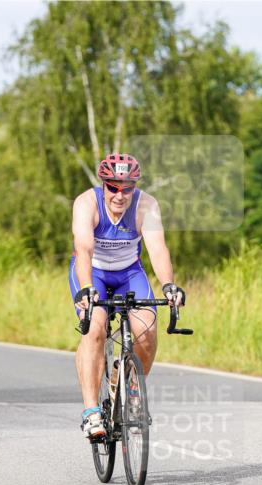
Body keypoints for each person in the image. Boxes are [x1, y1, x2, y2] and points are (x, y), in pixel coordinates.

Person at [70, 153, 185, 439]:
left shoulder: (146, 205)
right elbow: (83, 249)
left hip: (128, 273)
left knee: (146, 329)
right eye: (113, 187)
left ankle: (130, 387)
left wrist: (169, 285)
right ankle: (91, 413)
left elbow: (158, 249)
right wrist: (86, 289)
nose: (120, 195)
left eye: (127, 188)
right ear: (104, 184)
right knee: (95, 328)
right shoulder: (86, 203)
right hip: (93, 272)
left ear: (134, 187)